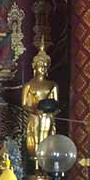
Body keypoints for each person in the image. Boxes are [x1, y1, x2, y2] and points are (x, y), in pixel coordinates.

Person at [21, 38, 58, 170]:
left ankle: (45, 169)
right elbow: (24, 104)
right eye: (39, 65)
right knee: (34, 142)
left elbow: (56, 104)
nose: (41, 68)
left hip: (47, 118)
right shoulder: (29, 85)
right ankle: (35, 169)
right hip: (34, 117)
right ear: (34, 66)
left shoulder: (52, 85)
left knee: (46, 141)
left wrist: (50, 111)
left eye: (44, 65)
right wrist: (35, 110)